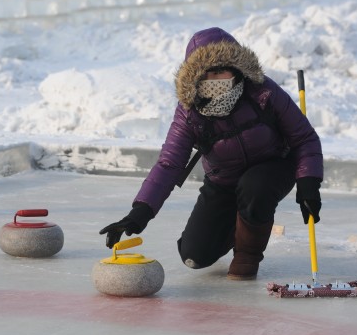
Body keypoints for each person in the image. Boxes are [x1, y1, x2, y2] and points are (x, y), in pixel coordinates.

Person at [99, 27, 323, 280]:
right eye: (207, 73)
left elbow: (304, 137)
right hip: (223, 181)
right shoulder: (189, 112)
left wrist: (308, 183)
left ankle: (247, 254)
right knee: (194, 255)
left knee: (255, 187)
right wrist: (139, 213)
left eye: (221, 70)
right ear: (195, 77)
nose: (215, 79)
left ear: (236, 69)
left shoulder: (263, 92)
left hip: (273, 168)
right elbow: (169, 164)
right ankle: (242, 221)